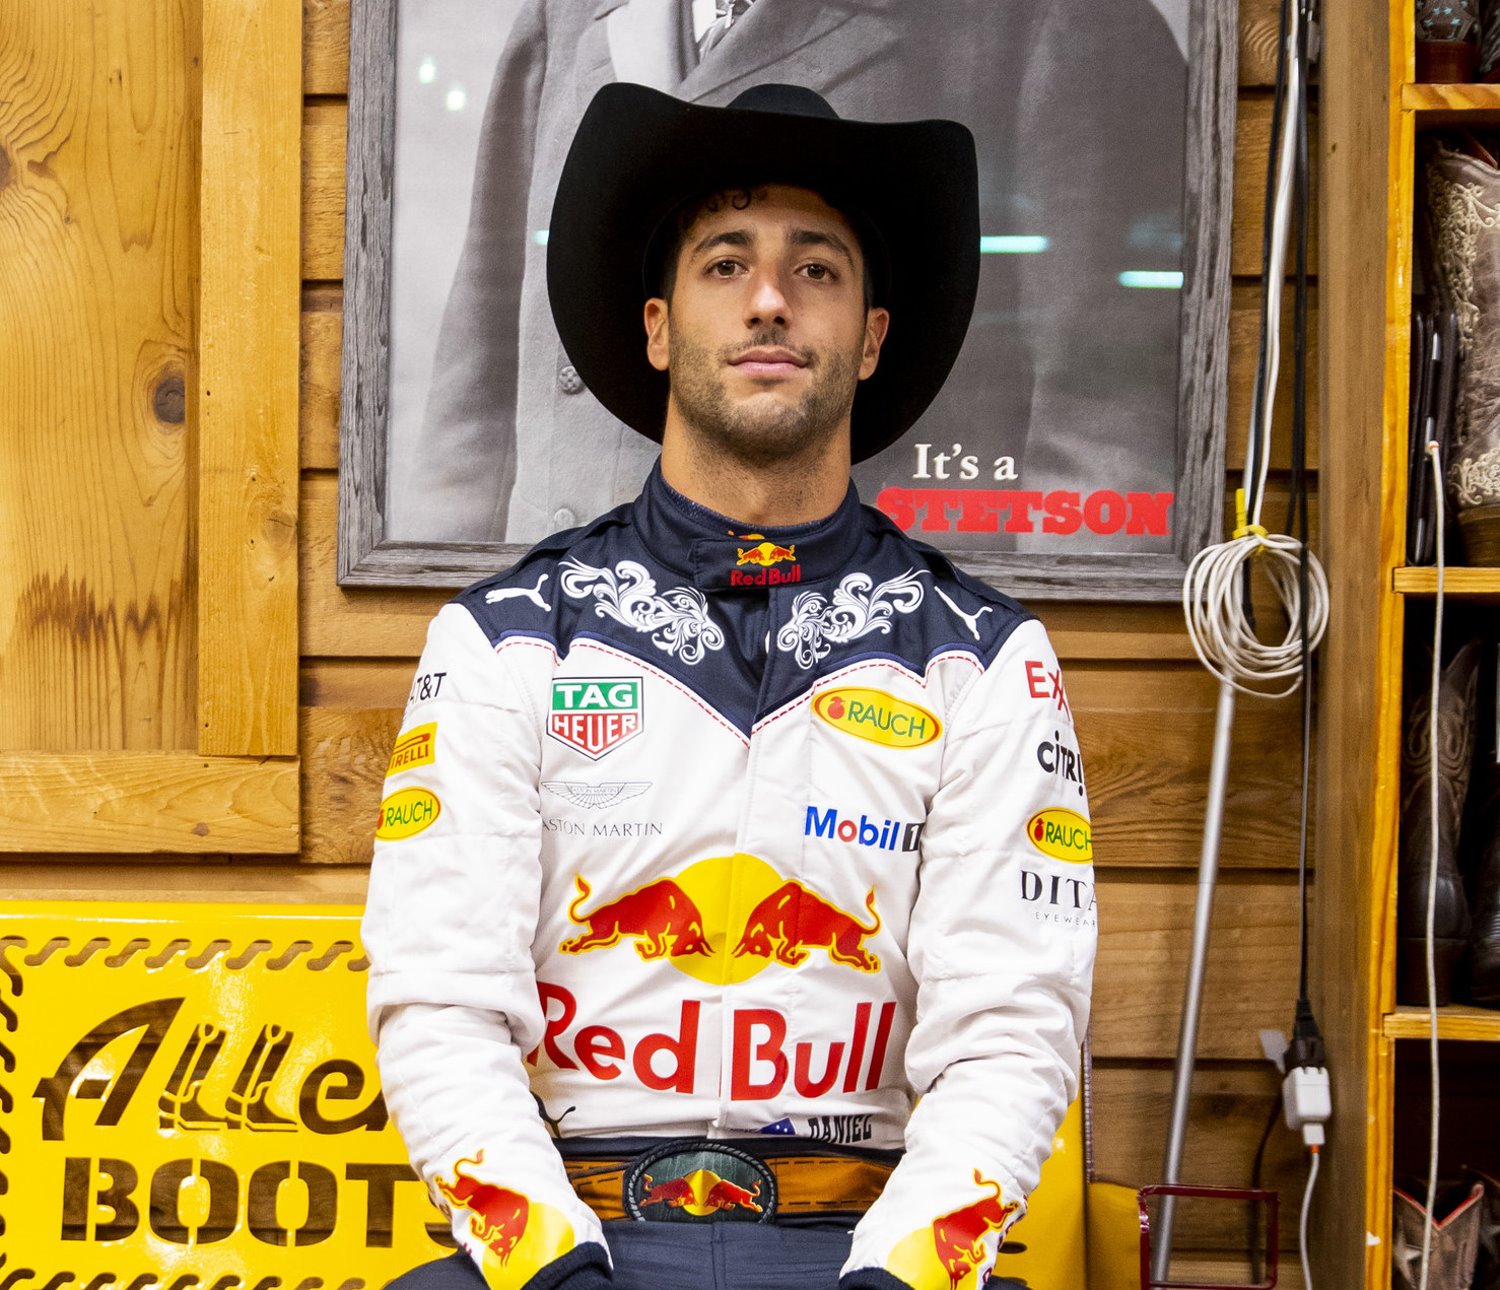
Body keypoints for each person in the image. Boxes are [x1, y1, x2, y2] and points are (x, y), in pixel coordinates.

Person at [364, 82, 1096, 1290]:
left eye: (816, 269)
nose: (769, 298)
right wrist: (550, 1269)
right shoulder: (504, 642)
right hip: (567, 1245)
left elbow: (1011, 1035)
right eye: (726, 263)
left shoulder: (985, 658)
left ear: (867, 336)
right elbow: (440, 1006)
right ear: (659, 327)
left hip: (861, 1250)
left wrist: (900, 1277)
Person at [398, 0, 1186, 553]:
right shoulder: (567, 12)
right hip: (570, 639)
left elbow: (1099, 419)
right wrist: (452, 594)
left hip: (872, 655)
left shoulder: (1052, 19)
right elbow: (487, 361)